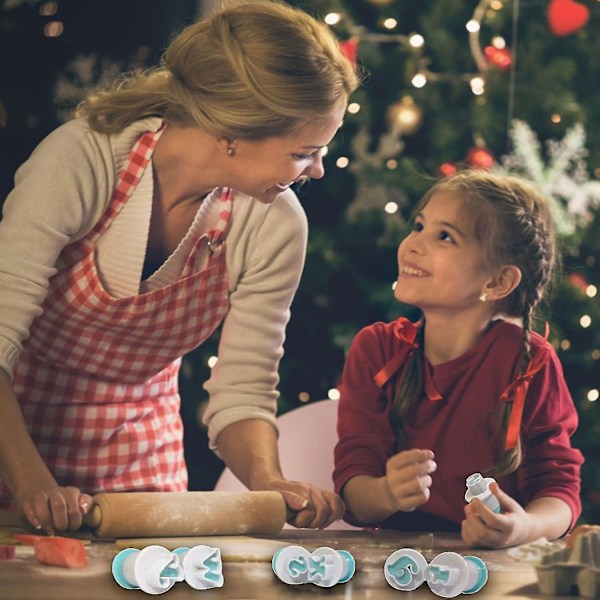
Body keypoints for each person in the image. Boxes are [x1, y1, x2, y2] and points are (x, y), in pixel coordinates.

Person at [0, 0, 359, 534]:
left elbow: (243, 389)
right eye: (305, 152)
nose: (318, 169)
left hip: (142, 447)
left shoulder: (275, 222)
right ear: (234, 131)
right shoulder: (83, 161)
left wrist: (267, 480)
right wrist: (32, 485)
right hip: (14, 435)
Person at [333, 171, 583, 548]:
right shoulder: (377, 349)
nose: (413, 244)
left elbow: (560, 491)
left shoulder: (530, 362)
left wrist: (522, 527)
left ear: (497, 283)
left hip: (494, 570)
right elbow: (354, 492)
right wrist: (386, 493)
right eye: (419, 226)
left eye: (444, 236)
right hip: (395, 567)